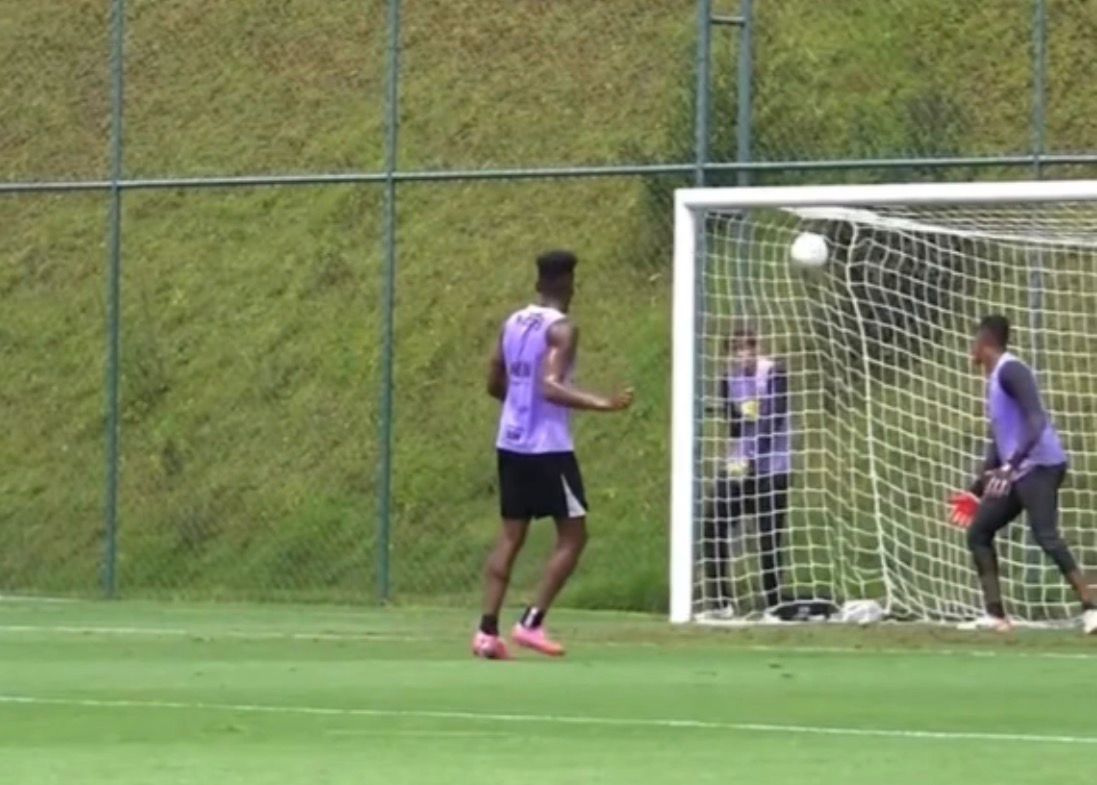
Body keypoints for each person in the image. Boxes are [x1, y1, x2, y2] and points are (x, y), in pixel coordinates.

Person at [472, 250, 634, 659]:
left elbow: (494, 382)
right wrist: (603, 403)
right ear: (567, 283)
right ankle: (532, 622)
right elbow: (551, 386)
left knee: (511, 536)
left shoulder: (513, 322)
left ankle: (486, 632)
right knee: (574, 535)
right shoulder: (562, 328)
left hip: (510, 442)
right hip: (548, 446)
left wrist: (519, 405)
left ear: (538, 282)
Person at [949, 314, 1097, 634]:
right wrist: (976, 489)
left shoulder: (1012, 370)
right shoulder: (993, 380)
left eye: (973, 342)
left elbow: (1036, 420)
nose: (970, 350)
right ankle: (995, 615)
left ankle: (1092, 607)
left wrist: (1011, 466)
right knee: (979, 533)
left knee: (1045, 535)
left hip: (1041, 466)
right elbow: (999, 441)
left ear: (985, 342)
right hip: (1017, 471)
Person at [702, 326, 791, 616]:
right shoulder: (729, 379)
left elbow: (774, 419)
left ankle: (774, 603)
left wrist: (753, 456)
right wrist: (736, 414)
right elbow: (734, 426)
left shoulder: (773, 373)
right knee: (713, 523)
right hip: (739, 465)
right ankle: (720, 602)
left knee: (768, 536)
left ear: (757, 347)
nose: (744, 354)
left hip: (772, 467)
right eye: (737, 349)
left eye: (748, 347)